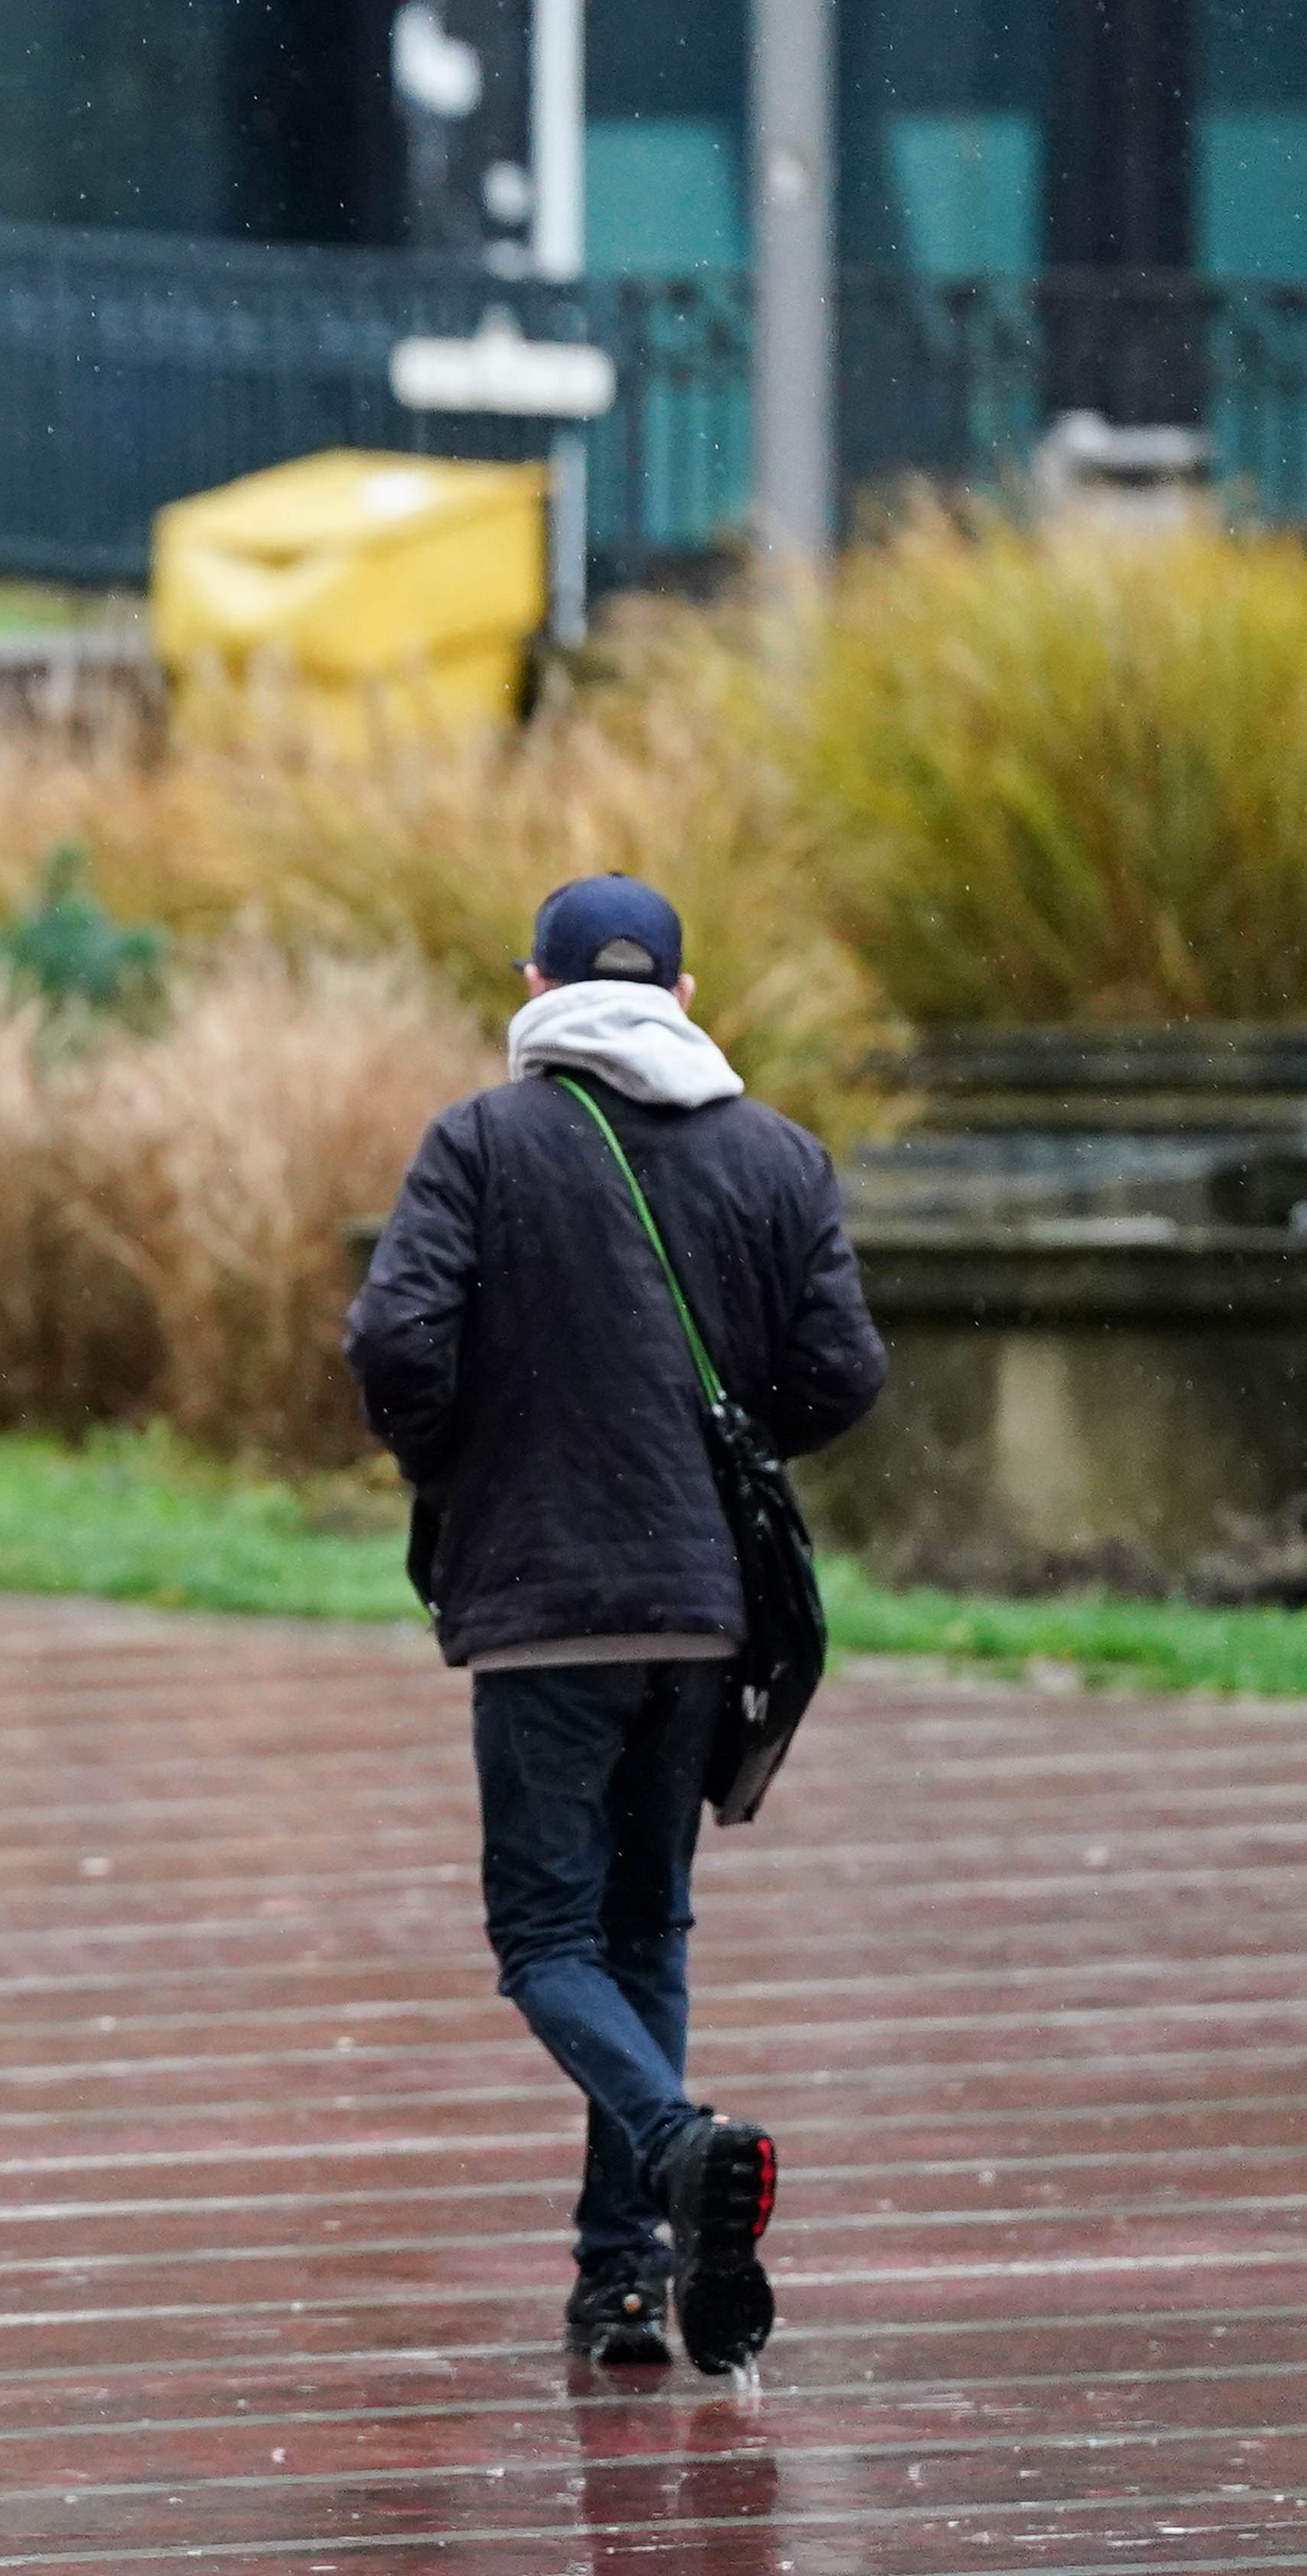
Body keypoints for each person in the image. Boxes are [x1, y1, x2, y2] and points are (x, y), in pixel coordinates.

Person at [346, 876, 885, 2379]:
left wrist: (465, 1457)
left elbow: (393, 1340)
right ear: (686, 998)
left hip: (544, 1607)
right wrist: (724, 1450)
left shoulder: (480, 1143)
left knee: (544, 1934)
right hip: (704, 1611)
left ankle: (673, 2145)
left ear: (535, 985)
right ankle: (624, 2283)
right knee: (647, 1927)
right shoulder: (777, 1155)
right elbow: (844, 1372)